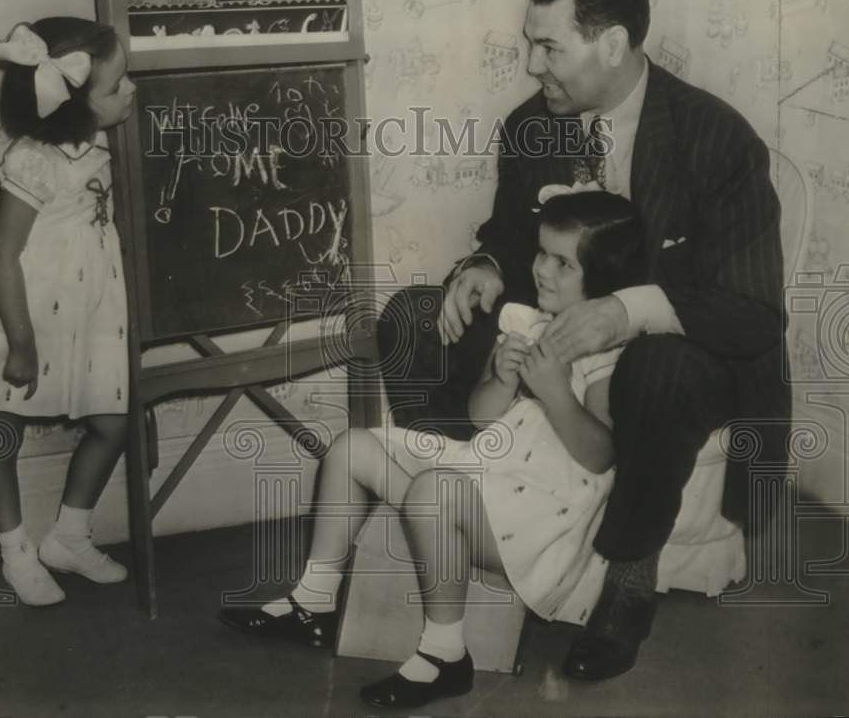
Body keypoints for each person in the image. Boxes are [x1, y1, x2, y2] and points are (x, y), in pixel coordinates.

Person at [377, 0, 789, 681]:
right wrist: (484, 269)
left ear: (613, 44)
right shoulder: (532, 127)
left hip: (684, 350)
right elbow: (508, 234)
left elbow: (752, 312)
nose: (533, 65)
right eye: (530, 43)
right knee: (412, 317)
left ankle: (626, 584)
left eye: (549, 47)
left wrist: (624, 313)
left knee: (656, 368)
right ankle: (462, 517)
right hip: (554, 336)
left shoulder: (716, 137)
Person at [220, 191, 647, 710]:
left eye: (563, 263)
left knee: (433, 492)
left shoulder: (609, 354)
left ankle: (445, 653)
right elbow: (480, 416)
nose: (541, 271)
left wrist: (556, 391)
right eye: (540, 254)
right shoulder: (524, 322)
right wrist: (501, 376)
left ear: (603, 278)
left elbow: (601, 455)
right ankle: (315, 598)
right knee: (351, 449)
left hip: (539, 521)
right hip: (490, 472)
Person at [0, 17, 138, 606]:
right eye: (117, 86)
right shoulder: (32, 161)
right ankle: (16, 551)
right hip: (19, 308)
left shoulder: (101, 141)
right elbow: (2, 252)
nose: (132, 92)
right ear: (75, 106)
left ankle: (69, 536)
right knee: (1, 434)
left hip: (87, 305)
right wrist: (20, 341)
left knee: (113, 424)